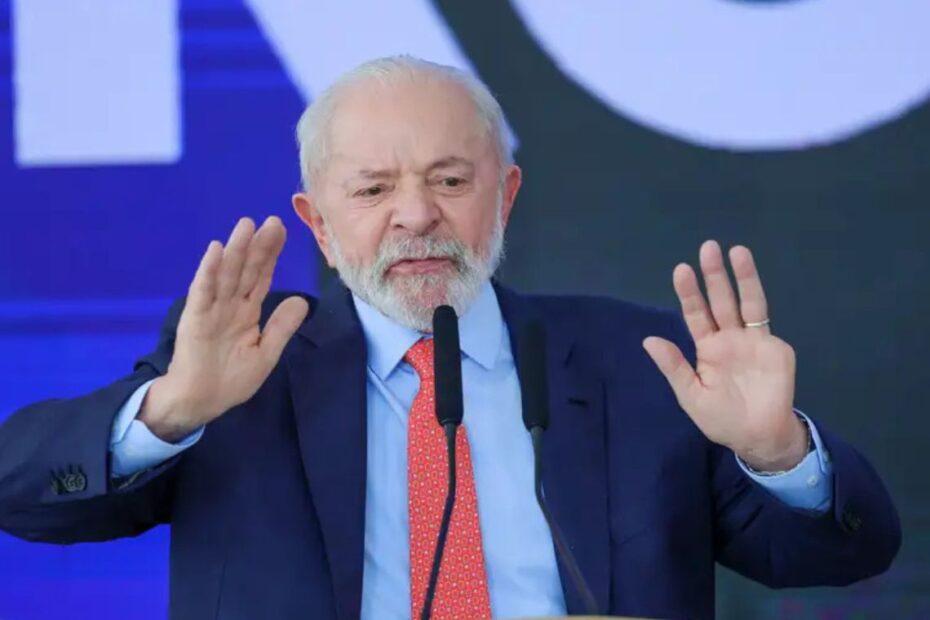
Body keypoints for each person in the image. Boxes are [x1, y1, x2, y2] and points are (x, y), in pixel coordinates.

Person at [0, 56, 899, 620]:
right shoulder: (245, 370)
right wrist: (170, 411)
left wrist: (779, 455)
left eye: (450, 180)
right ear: (318, 224)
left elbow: (848, 554)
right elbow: (24, 496)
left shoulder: (642, 367)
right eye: (373, 189)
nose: (416, 216)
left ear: (505, 196)